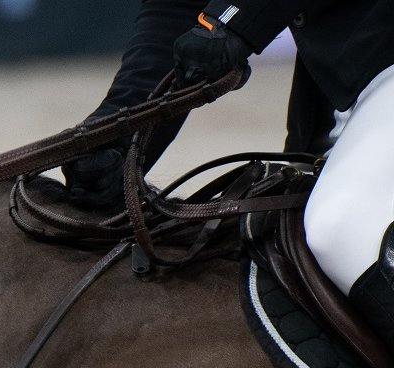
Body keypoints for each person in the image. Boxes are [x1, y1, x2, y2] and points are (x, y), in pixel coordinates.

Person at [65, 1, 394, 343]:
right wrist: (116, 128)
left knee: (341, 231)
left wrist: (233, 22)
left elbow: (219, 23)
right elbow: (180, 11)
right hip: (347, 90)